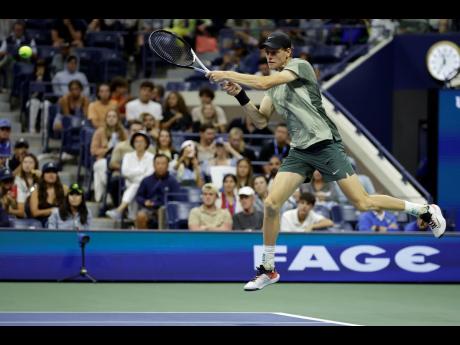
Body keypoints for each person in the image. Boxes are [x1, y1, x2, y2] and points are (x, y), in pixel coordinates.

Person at [206, 30, 446, 291]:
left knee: (362, 202)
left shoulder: (300, 66)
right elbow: (261, 120)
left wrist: (228, 73)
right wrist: (240, 95)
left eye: (275, 50)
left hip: (325, 146)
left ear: (289, 52)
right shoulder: (273, 89)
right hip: (300, 151)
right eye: (267, 51)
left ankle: (423, 209)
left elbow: (263, 83)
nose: (269, 55)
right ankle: (268, 269)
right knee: (272, 203)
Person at [106, 131, 154, 220]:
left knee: (136, 186)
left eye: (141, 141)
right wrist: (140, 172)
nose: (139, 144)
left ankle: (120, 210)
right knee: (135, 186)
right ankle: (131, 217)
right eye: (136, 141)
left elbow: (149, 175)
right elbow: (125, 172)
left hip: (146, 185)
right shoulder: (128, 156)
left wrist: (135, 173)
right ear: (133, 143)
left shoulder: (151, 157)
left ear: (146, 143)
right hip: (128, 183)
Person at [135, 154, 182, 229]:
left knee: (162, 213)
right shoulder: (146, 180)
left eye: (163, 164)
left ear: (167, 166)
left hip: (166, 209)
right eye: (158, 163)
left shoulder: (173, 182)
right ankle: (143, 239)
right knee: (141, 216)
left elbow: (177, 199)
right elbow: (138, 196)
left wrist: (159, 204)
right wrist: (145, 202)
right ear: (154, 165)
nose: (160, 166)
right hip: (149, 209)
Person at [90, 109, 127, 202]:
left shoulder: (124, 132)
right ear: (105, 119)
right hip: (103, 159)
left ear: (118, 119)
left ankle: (103, 196)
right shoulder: (99, 132)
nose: (111, 119)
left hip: (119, 162)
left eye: (114, 116)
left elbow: (128, 148)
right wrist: (108, 150)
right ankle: (108, 191)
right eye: (109, 117)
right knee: (101, 166)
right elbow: (93, 150)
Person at [29, 162, 68, 227]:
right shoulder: (36, 191)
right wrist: (51, 210)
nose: (51, 174)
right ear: (43, 175)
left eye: (54, 172)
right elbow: (34, 213)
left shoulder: (64, 189)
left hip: (61, 221)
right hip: (43, 222)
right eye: (48, 172)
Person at [13, 153, 40, 218]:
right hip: (22, 207)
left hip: (37, 207)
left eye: (31, 163)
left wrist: (41, 179)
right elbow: (23, 197)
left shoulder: (39, 179)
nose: (27, 165)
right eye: (25, 162)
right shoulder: (17, 180)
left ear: (35, 165)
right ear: (21, 165)